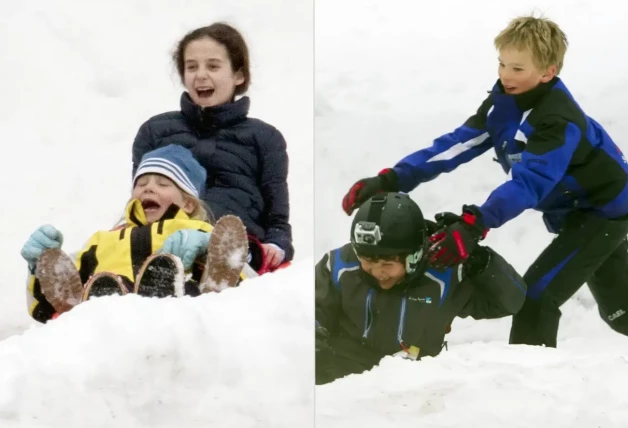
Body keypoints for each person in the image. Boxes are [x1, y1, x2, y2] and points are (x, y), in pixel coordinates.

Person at [341, 15, 628, 348]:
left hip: (603, 211)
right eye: (502, 64)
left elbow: (529, 183)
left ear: (548, 72)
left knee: (535, 298)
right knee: (622, 312)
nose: (506, 75)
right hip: (576, 210)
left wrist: (476, 223)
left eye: (518, 69)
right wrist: (393, 178)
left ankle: (527, 394)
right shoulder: (503, 104)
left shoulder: (558, 121)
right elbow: (459, 144)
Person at [131, 22, 293, 274]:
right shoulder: (155, 131)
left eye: (213, 66)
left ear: (238, 75)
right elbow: (141, 201)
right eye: (191, 66)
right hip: (163, 241)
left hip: (237, 248)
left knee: (224, 256)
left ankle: (214, 275)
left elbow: (277, 217)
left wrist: (277, 245)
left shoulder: (265, 138)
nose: (200, 75)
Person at [22, 145, 250, 324]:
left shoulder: (199, 232)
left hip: (181, 310)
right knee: (98, 288)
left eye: (163, 183)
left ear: (189, 203)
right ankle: (84, 312)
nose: (149, 189)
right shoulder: (102, 240)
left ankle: (209, 293)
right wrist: (39, 267)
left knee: (182, 278)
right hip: (104, 318)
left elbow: (257, 288)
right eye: (141, 183)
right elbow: (42, 310)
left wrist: (208, 248)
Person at [315, 192, 526, 385]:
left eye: (387, 264)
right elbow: (310, 312)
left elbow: (510, 302)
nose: (378, 272)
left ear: (413, 256)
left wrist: (479, 260)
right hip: (343, 381)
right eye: (367, 260)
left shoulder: (443, 273)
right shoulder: (339, 267)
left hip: (414, 386)